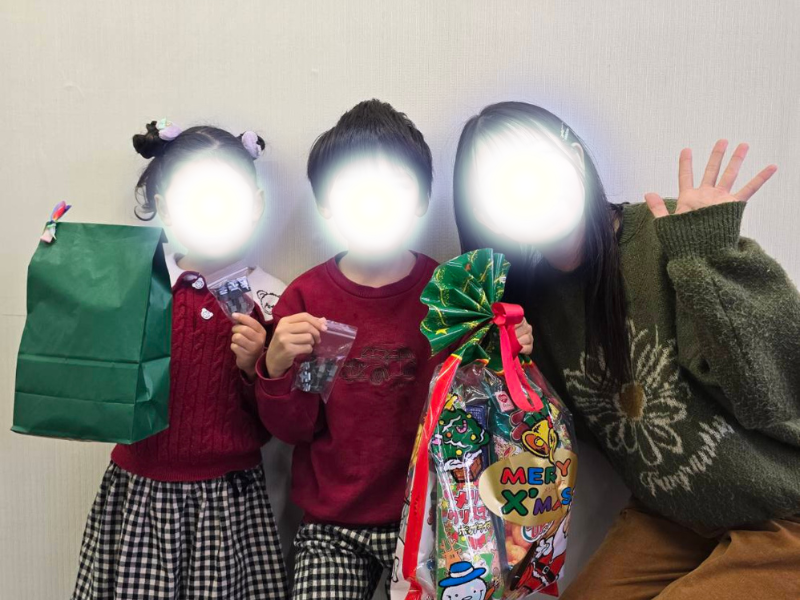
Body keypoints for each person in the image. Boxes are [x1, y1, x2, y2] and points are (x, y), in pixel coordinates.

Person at [452, 101, 800, 599]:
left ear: (574, 158)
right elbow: (543, 435)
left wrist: (713, 259)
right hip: (674, 516)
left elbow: (774, 387)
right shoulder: (530, 303)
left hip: (783, 509)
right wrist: (509, 359)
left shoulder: (667, 236)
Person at [248, 99, 533, 600]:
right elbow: (295, 429)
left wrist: (513, 352)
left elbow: (486, 407)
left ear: (421, 199)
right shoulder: (309, 300)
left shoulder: (452, 295)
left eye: (394, 187)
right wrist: (275, 367)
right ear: (326, 204)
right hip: (333, 526)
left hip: (440, 518)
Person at [72, 121, 289, 600]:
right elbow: (92, 366)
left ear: (255, 205)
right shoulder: (139, 283)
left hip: (228, 499)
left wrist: (255, 367)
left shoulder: (268, 298)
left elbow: (280, 419)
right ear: (167, 208)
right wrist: (62, 266)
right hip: (141, 490)